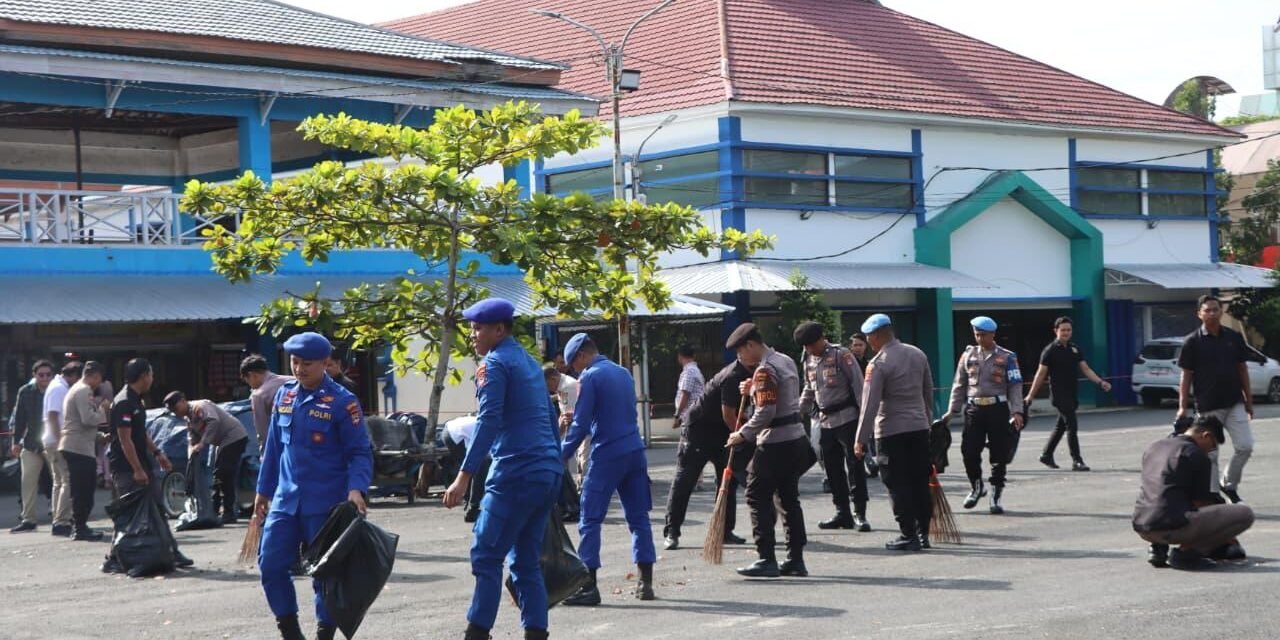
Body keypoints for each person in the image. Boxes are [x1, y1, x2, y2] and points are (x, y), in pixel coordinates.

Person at [442, 299, 562, 640]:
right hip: (545, 472)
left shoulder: (493, 364)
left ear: (499, 329)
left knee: (486, 554)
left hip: (516, 471)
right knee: (524, 562)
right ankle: (536, 633)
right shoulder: (527, 361)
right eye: (472, 327)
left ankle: (476, 632)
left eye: (478, 328)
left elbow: (489, 420)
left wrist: (463, 476)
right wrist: (556, 468)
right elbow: (551, 419)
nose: (473, 334)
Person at [255, 333, 372, 640]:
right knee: (270, 565)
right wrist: (263, 491)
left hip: (326, 503)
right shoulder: (284, 396)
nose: (299, 369)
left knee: (326, 575)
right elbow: (274, 449)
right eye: (294, 362)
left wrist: (356, 489)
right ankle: (290, 631)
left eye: (307, 363)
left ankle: (324, 633)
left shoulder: (343, 403)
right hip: (285, 500)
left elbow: (360, 451)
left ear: (325, 363)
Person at [560, 332, 657, 605]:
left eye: (573, 365)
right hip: (635, 452)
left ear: (581, 356)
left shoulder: (589, 376)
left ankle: (589, 587)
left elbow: (579, 427)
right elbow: (618, 414)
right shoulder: (623, 373)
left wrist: (560, 455)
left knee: (590, 519)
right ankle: (645, 583)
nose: (575, 372)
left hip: (608, 454)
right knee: (639, 518)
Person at [725, 323, 812, 578]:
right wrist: (753, 388)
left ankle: (766, 558)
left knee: (756, 495)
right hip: (796, 439)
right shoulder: (783, 360)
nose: (740, 359)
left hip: (774, 442)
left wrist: (742, 434)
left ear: (751, 345)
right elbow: (779, 396)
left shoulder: (765, 370)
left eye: (741, 353)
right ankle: (796, 559)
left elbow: (766, 411)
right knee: (788, 499)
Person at [854, 314, 935, 550]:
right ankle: (923, 534)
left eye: (869, 337)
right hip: (919, 428)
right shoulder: (917, 353)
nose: (869, 342)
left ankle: (907, 534)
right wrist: (926, 422)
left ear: (877, 335)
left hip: (890, 431)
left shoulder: (878, 364)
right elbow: (927, 393)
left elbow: (870, 405)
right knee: (919, 481)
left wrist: (860, 439)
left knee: (896, 483)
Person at [1133, 416, 1254, 570]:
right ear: (1206, 436)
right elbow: (1203, 504)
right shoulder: (1195, 454)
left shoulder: (1154, 447)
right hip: (1171, 527)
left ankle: (1157, 547)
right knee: (1244, 514)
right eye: (1212, 446)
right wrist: (1226, 536)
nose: (1210, 451)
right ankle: (1187, 553)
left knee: (1169, 501)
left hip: (1142, 524)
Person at [107, 358, 193, 566]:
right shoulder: (123, 402)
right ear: (144, 375)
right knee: (129, 514)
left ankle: (172, 551)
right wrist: (136, 469)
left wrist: (157, 453)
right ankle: (113, 558)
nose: (153, 379)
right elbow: (124, 439)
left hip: (141, 463)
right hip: (126, 468)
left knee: (156, 508)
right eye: (151, 374)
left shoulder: (137, 400)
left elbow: (140, 432)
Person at [663, 357, 754, 550]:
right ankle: (672, 531)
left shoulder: (754, 374)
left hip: (721, 431)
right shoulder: (733, 376)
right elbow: (729, 415)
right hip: (699, 430)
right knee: (685, 480)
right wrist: (744, 436)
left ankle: (724, 530)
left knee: (727, 481)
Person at [1175, 295, 1254, 504]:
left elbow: (1242, 369)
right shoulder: (1192, 341)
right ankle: (1212, 496)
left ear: (1221, 311)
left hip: (1234, 402)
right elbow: (1186, 375)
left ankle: (1228, 484)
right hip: (1208, 407)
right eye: (1207, 310)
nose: (1212, 313)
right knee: (1210, 455)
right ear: (1199, 314)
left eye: (1215, 309)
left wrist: (1248, 399)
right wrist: (1182, 406)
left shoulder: (1233, 337)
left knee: (1245, 446)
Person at [942, 316, 1024, 515]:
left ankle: (996, 494)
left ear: (993, 334)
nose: (979, 338)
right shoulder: (968, 356)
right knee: (969, 451)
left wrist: (1017, 411)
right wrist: (951, 410)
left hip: (998, 408)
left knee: (999, 454)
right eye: (976, 334)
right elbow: (959, 384)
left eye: (983, 335)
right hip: (974, 409)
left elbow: (1015, 385)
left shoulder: (1007, 357)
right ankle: (976, 486)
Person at [794, 321, 870, 532]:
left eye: (810, 344)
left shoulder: (841, 355)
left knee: (855, 467)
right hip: (825, 421)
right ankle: (842, 512)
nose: (808, 349)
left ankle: (860, 513)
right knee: (833, 469)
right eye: (805, 346)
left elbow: (859, 385)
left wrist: (865, 422)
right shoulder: (808, 359)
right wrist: (798, 410)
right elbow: (809, 389)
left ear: (821, 338)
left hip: (848, 418)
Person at [1023, 316, 1112, 471]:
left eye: (1068, 330)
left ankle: (1046, 454)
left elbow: (1086, 369)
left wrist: (1100, 382)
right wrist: (1031, 395)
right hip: (1059, 395)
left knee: (1061, 427)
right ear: (1056, 331)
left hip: (1071, 393)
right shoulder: (1049, 350)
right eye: (1063, 330)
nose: (1066, 333)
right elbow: (1040, 374)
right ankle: (1077, 461)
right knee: (1072, 425)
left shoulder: (1074, 349)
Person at [165, 392, 249, 524]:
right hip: (222, 442)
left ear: (183, 401)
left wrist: (203, 443)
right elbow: (192, 439)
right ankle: (212, 511)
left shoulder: (200, 406)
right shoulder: (189, 419)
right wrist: (191, 453)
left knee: (223, 473)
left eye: (176, 409)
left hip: (234, 437)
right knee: (218, 476)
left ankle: (228, 512)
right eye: (173, 412)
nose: (176, 413)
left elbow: (214, 421)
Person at [60, 361, 110, 541]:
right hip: (78, 448)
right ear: (94, 376)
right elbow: (87, 419)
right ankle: (80, 527)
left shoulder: (76, 389)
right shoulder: (83, 390)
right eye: (99, 380)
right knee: (84, 489)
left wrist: (99, 437)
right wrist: (103, 410)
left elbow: (79, 423)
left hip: (76, 444)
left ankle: (79, 525)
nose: (99, 384)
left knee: (81, 488)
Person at [9, 360, 53, 533]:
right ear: (34, 376)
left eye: (48, 375)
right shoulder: (25, 391)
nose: (45, 378)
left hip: (52, 442)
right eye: (41, 375)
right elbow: (19, 418)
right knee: (27, 482)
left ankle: (62, 518)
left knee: (60, 481)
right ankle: (28, 518)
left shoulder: (56, 390)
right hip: (30, 443)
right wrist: (15, 442)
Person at [42, 360, 82, 538]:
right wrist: (61, 442)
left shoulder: (56, 386)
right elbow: (52, 416)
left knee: (59, 482)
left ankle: (58, 519)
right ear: (73, 375)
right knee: (67, 480)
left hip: (50, 439)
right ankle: (62, 521)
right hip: (56, 440)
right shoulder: (59, 388)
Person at [544, 365, 580, 523]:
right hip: (574, 429)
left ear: (553, 379)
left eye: (547, 386)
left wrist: (557, 439)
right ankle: (574, 503)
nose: (548, 389)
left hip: (580, 430)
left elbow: (567, 417)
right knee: (563, 465)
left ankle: (575, 505)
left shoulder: (567, 387)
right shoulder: (562, 386)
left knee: (580, 466)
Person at [241, 354, 294, 452]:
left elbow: (263, 431)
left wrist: (264, 455)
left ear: (253, 375)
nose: (250, 385)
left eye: (247, 381)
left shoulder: (259, 395)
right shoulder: (294, 380)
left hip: (284, 445)